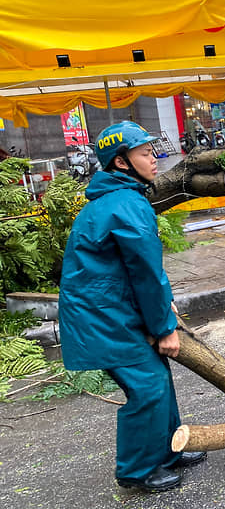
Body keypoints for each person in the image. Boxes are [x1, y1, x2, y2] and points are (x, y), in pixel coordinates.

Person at [58, 121, 206, 492]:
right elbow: (146, 274)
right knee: (148, 387)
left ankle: (167, 451)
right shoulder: (125, 205)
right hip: (105, 318)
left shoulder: (118, 201)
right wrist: (163, 328)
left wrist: (160, 315)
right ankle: (137, 470)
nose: (155, 159)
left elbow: (142, 273)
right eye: (144, 153)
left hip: (113, 311)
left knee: (157, 378)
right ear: (122, 163)